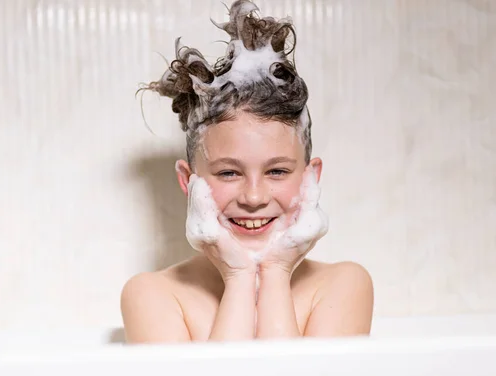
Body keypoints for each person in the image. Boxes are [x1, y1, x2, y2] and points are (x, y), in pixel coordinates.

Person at [121, 0, 373, 343]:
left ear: (310, 178)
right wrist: (239, 275)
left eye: (277, 172)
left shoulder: (343, 286)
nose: (254, 197)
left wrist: (276, 270)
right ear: (188, 181)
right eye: (229, 173)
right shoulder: (154, 296)